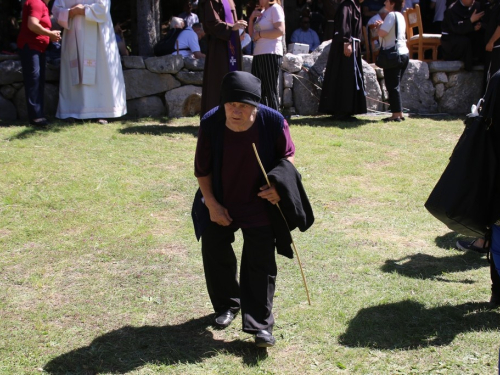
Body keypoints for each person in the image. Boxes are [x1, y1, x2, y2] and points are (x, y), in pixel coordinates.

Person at [192, 71, 312, 348]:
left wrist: (278, 187)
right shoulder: (211, 124)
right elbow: (202, 169)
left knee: (260, 261)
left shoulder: (273, 122)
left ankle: (260, 325)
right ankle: (226, 305)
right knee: (215, 249)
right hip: (221, 198)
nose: (235, 110)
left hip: (259, 201)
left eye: (243, 105)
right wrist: (211, 204)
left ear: (255, 107)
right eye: (231, 104)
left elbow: (287, 156)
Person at [52, 0, 127, 123]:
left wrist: (82, 10)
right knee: (77, 71)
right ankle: (74, 110)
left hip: (99, 38)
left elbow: (103, 8)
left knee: (100, 73)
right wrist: (71, 12)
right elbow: (56, 10)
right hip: (73, 35)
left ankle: (102, 111)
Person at [318, 0, 367, 121]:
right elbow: (344, 25)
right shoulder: (346, 6)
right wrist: (346, 41)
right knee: (343, 76)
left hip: (353, 45)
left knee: (350, 77)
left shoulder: (356, 6)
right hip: (344, 47)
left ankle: (349, 110)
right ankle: (341, 110)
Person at [199, 0, 247, 116]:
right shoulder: (210, 1)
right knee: (218, 80)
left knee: (234, 79)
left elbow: (231, 20)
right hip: (219, 48)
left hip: (233, 47)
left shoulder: (229, 0)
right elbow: (211, 23)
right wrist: (231, 28)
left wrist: (238, 25)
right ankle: (215, 117)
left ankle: (233, 114)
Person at [17, 0, 61, 127]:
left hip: (39, 48)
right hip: (30, 47)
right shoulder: (36, 2)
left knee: (38, 80)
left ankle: (39, 114)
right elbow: (32, 25)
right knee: (34, 81)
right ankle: (36, 117)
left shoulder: (43, 5)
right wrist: (50, 34)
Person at [374, 0, 409, 122]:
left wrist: (379, 26)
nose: (384, 2)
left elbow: (382, 33)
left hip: (393, 54)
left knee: (392, 85)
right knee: (395, 84)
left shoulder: (391, 15)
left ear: (393, 3)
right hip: (404, 53)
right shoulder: (401, 16)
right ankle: (399, 113)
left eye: (387, 1)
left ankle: (395, 114)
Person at [248, 0, 285, 110]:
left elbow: (280, 30)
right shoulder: (263, 11)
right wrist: (251, 19)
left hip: (271, 52)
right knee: (258, 89)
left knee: (270, 89)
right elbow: (252, 35)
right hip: (258, 53)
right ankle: (262, 117)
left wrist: (260, 34)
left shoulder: (276, 8)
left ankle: (275, 119)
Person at [441, 0, 485, 71]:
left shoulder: (475, 5)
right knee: (465, 41)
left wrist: (477, 26)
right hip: (451, 39)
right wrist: (470, 21)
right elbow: (456, 28)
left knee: (480, 37)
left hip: (466, 34)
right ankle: (468, 67)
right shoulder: (452, 9)